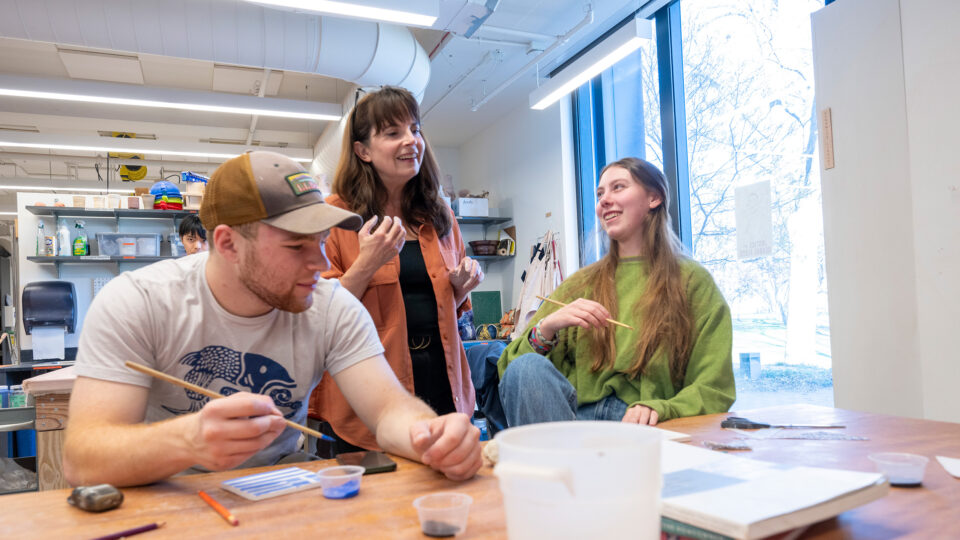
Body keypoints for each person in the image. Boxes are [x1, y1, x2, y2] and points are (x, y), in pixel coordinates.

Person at [63, 151, 482, 487]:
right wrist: (187, 442)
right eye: (296, 247)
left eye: (321, 243)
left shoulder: (330, 306)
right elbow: (83, 458)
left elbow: (389, 410)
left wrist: (431, 436)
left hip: (283, 490)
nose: (320, 265)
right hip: (165, 497)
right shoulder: (140, 302)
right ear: (227, 243)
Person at [497, 157, 735, 427]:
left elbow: (715, 387)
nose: (604, 201)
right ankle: (563, 467)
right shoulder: (579, 285)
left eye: (618, 187)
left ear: (654, 197)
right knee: (526, 367)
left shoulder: (693, 282)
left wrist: (663, 408)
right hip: (573, 424)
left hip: (643, 427)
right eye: (600, 194)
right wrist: (546, 328)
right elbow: (511, 372)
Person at [309, 86, 483, 452]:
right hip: (371, 383)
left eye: (415, 129)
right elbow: (318, 313)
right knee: (378, 501)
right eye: (393, 133)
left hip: (443, 375)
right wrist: (366, 263)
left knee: (448, 488)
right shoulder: (336, 215)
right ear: (363, 151)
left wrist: (462, 287)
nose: (411, 141)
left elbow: (450, 304)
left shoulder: (439, 214)